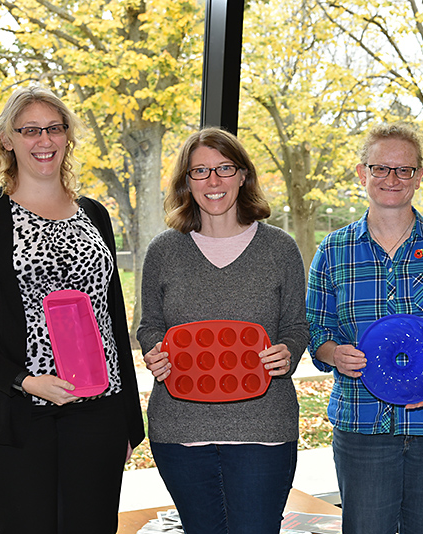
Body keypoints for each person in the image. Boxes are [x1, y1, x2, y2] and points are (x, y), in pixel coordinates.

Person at [0, 85, 145, 534]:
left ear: (68, 136)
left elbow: (108, 318)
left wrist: (128, 419)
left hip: (98, 412)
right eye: (29, 130)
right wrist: (27, 381)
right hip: (17, 414)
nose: (43, 140)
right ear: (8, 140)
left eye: (54, 128)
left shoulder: (95, 215)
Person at [306, 123, 423, 534]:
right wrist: (333, 353)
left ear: (419, 177)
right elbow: (316, 329)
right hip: (362, 426)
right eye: (380, 168)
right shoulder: (333, 250)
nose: (392, 179)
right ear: (362, 174)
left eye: (404, 170)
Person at [138, 127, 309, 534]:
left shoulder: (279, 248)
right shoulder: (163, 251)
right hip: (180, 429)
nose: (213, 181)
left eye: (224, 168)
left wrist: (287, 352)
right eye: (200, 171)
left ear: (243, 176)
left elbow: (296, 326)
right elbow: (151, 326)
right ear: (186, 182)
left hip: (263, 428)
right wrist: (154, 352)